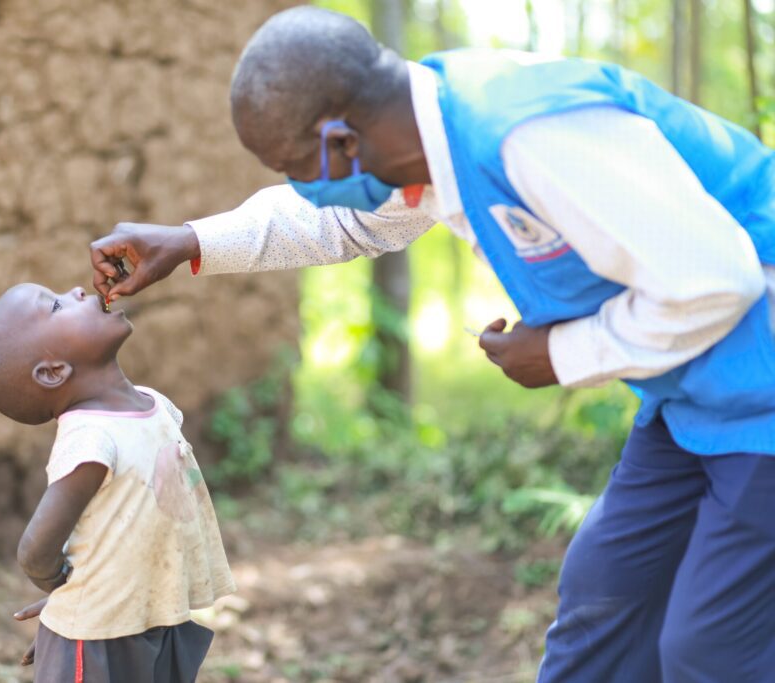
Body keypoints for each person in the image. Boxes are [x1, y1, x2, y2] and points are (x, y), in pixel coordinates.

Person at [87, 6, 775, 683]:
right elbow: (342, 225)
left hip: (760, 393)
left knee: (711, 650)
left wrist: (561, 355)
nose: (301, 185)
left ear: (341, 143)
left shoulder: (523, 133)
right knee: (605, 598)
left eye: (294, 165)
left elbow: (719, 279)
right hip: (695, 398)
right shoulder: (429, 138)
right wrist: (190, 241)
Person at [0, 283, 234, 682]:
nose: (77, 289)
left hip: (155, 617)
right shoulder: (92, 437)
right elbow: (35, 552)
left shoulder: (155, 404)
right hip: (96, 640)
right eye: (57, 305)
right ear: (53, 371)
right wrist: (71, 596)